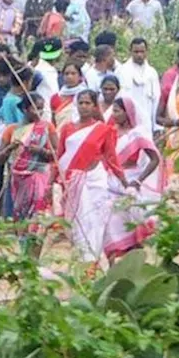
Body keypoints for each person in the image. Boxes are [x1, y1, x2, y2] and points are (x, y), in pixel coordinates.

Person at [54, 89, 130, 263]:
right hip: (72, 183)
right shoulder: (67, 129)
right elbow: (59, 157)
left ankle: (89, 263)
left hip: (94, 182)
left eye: (88, 103)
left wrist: (126, 183)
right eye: (80, 103)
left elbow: (112, 159)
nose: (84, 106)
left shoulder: (103, 130)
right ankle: (80, 261)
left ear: (95, 106)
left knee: (93, 222)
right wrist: (52, 181)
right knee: (75, 225)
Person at [103, 98, 162, 259]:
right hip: (110, 183)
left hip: (129, 183)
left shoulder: (137, 134)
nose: (114, 114)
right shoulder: (109, 132)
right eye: (113, 110)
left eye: (117, 111)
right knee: (110, 226)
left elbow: (155, 159)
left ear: (127, 112)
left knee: (131, 227)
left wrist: (138, 181)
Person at [2, 94, 59, 222]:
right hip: (17, 179)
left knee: (38, 214)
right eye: (35, 108)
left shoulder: (47, 128)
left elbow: (57, 154)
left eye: (41, 109)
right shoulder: (12, 130)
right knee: (15, 216)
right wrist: (10, 148)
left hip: (39, 177)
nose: (39, 112)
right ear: (25, 109)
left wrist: (42, 151)